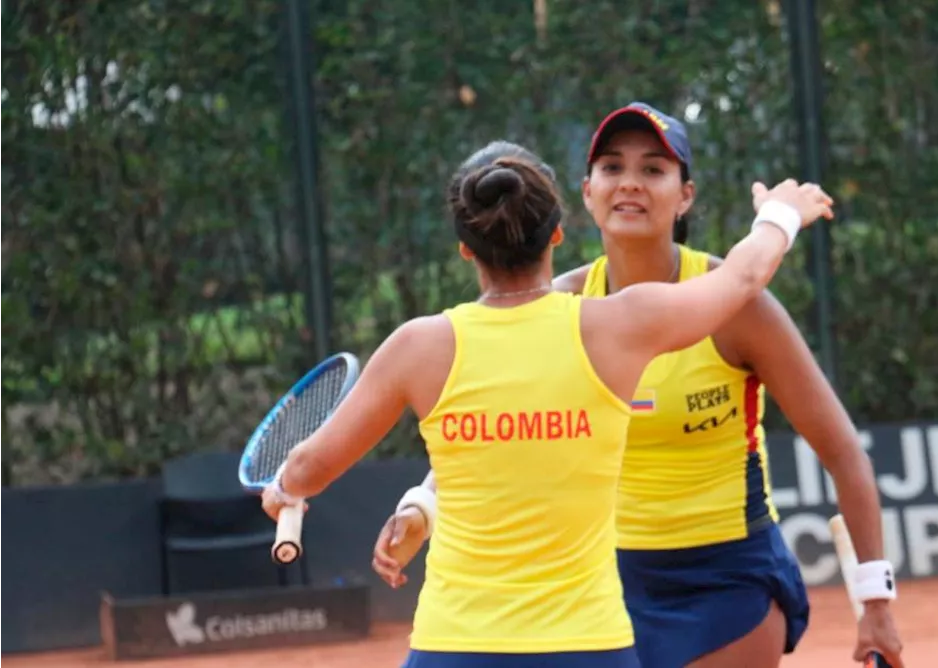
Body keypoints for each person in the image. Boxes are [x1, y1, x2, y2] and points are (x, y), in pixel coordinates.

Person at [260, 138, 835, 668]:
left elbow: (308, 469)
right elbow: (742, 278)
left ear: (465, 249)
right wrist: (779, 213)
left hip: (455, 646)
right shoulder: (618, 326)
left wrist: (284, 490)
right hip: (588, 647)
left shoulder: (418, 345)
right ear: (557, 234)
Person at [373, 104, 905, 668]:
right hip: (600, 590)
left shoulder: (738, 308)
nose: (629, 182)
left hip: (727, 580)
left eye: (653, 169)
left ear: (685, 196)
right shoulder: (559, 306)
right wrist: (423, 507)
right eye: (611, 167)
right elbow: (486, 423)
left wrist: (876, 601)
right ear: (585, 193)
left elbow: (843, 452)